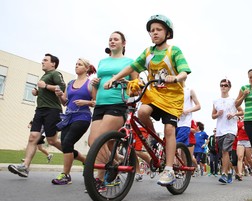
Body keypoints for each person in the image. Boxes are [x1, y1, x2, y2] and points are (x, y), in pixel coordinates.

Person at [105, 14, 191, 186]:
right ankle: (153, 138)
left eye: (159, 29)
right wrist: (115, 78)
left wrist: (175, 78)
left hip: (173, 98)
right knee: (142, 111)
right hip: (155, 94)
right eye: (152, 30)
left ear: (167, 33)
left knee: (169, 129)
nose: (155, 33)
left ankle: (168, 169)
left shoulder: (174, 51)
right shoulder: (148, 52)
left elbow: (184, 71)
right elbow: (132, 66)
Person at [87, 31, 137, 191]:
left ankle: (99, 179)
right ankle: (115, 163)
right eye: (110, 39)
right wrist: (95, 83)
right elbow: (97, 86)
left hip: (117, 103)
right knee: (93, 141)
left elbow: (136, 85)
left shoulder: (130, 62)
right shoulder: (102, 62)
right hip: (100, 104)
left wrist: (124, 81)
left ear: (124, 43)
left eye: (116, 39)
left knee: (99, 140)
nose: (112, 41)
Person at [8, 53, 66, 178]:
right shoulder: (45, 75)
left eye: (45, 60)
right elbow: (45, 91)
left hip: (52, 110)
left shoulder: (56, 74)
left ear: (53, 64)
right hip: (40, 110)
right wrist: (37, 92)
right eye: (42, 60)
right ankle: (25, 167)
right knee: (33, 137)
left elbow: (61, 87)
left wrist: (45, 86)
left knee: (52, 141)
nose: (42, 62)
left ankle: (71, 152)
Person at [51, 58, 97, 185]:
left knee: (67, 142)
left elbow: (95, 101)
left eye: (80, 64)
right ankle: (86, 162)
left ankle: (65, 175)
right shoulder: (70, 83)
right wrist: (59, 95)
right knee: (66, 145)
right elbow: (65, 102)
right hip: (68, 117)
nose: (76, 66)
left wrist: (85, 102)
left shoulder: (90, 83)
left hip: (82, 117)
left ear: (86, 68)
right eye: (76, 64)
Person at [212, 78, 243, 184]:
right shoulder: (216, 101)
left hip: (231, 130)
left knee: (225, 151)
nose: (223, 87)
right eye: (221, 85)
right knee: (224, 153)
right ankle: (230, 171)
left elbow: (242, 112)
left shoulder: (234, 100)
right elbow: (212, 116)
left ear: (229, 87)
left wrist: (234, 114)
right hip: (220, 131)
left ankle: (224, 174)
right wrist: (218, 114)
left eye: (225, 85)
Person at [176, 86, 201, 164]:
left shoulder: (189, 90)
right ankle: (185, 169)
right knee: (183, 150)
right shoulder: (173, 89)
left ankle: (172, 168)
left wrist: (187, 111)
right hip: (174, 122)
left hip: (184, 124)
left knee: (174, 147)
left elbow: (198, 106)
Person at [235, 116, 252, 181]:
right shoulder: (238, 122)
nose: (242, 115)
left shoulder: (249, 121)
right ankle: (240, 174)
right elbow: (236, 130)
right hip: (240, 141)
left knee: (248, 159)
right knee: (240, 157)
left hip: (248, 141)